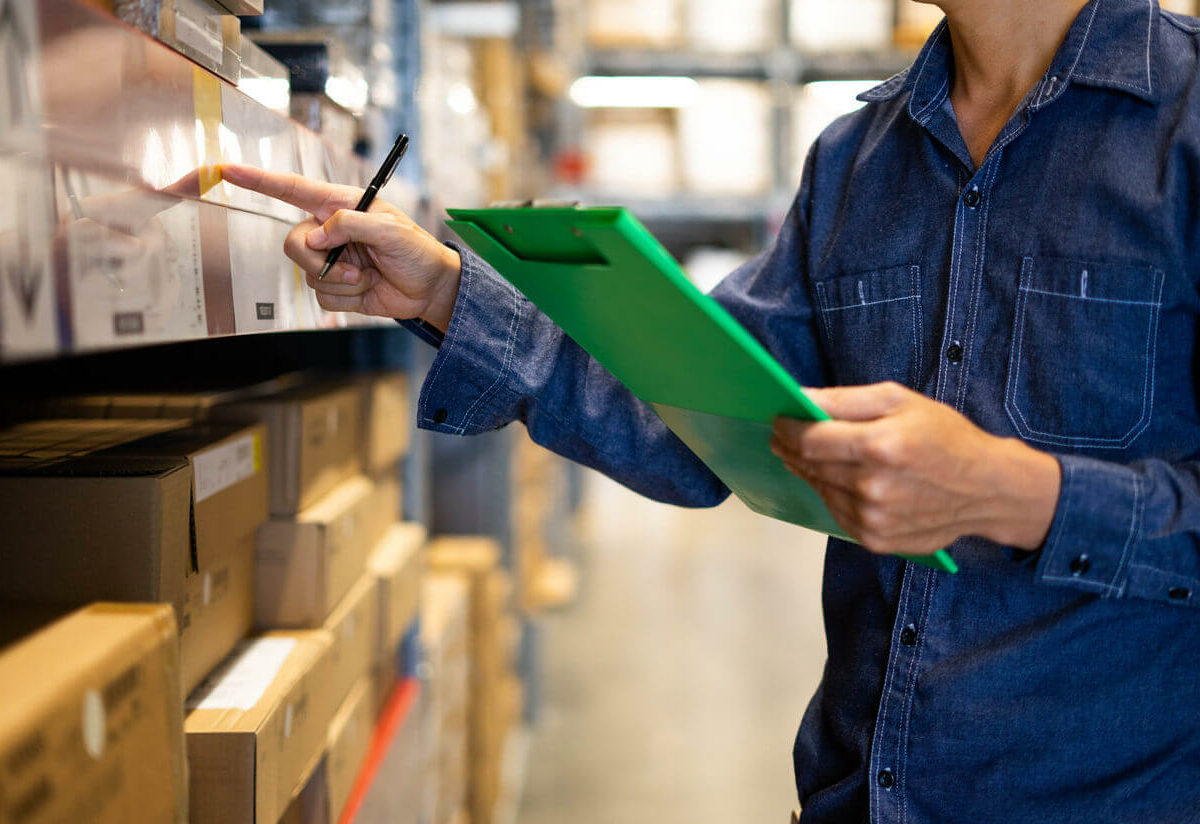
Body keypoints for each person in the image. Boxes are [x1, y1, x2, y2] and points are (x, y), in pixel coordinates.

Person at [222, 0, 1200, 819]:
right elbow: (697, 421)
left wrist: (1014, 492)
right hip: (862, 791)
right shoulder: (858, 162)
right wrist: (441, 291)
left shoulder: (1183, 126)